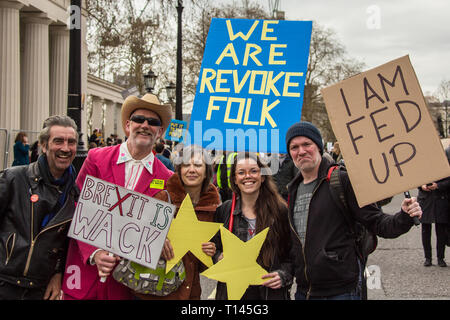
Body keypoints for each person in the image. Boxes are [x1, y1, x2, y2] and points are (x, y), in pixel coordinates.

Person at [285, 121, 422, 300]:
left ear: (318, 147)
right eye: (294, 147)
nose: (301, 151)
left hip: (341, 291)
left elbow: (378, 223)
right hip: (304, 291)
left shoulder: (341, 181)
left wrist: (404, 216)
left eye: (306, 144)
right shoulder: (292, 190)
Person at [62, 93, 173, 300]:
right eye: (139, 119)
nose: (145, 125)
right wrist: (94, 253)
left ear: (160, 131)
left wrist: (162, 238)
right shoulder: (97, 158)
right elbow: (76, 205)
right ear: (128, 125)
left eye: (153, 122)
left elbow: (165, 226)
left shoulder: (167, 178)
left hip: (127, 284)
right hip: (84, 277)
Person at [0, 115, 79, 300]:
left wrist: (59, 274)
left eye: (71, 142)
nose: (65, 148)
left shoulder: (75, 192)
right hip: (4, 282)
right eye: (58, 141)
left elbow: (67, 244)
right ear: (43, 145)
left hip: (40, 290)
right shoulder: (14, 178)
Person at [135, 145, 220, 300]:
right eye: (186, 165)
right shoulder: (163, 198)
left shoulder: (212, 208)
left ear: (207, 171)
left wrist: (210, 253)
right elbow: (137, 235)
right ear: (179, 169)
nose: (192, 170)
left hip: (191, 292)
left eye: (198, 165)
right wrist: (157, 241)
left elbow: (201, 264)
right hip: (158, 291)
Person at [213, 152, 293, 300]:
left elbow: (292, 254)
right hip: (232, 293)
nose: (247, 176)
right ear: (235, 179)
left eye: (254, 171)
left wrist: (283, 275)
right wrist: (218, 257)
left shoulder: (280, 211)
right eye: (241, 172)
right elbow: (213, 248)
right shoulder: (224, 211)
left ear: (262, 177)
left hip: (268, 294)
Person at [418, 146, 450, 267]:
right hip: (426, 199)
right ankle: (428, 257)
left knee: (440, 230)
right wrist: (422, 186)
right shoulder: (422, 162)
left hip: (441, 199)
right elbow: (416, 179)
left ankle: (440, 258)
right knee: (426, 229)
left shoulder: (445, 161)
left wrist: (438, 185)